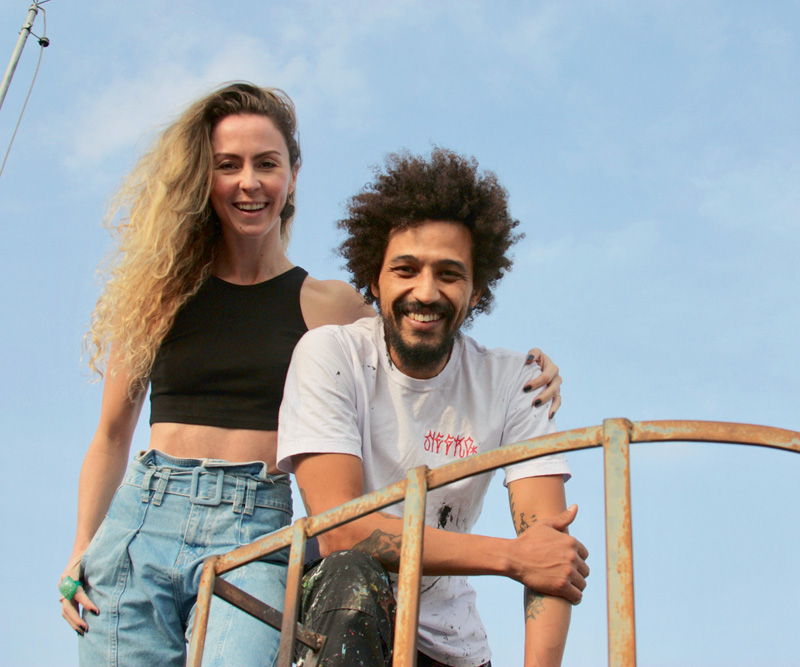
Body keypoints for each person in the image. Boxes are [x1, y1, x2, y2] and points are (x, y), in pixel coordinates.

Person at [58, 83, 563, 667]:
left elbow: (418, 331)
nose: (249, 182)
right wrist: (81, 549)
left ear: (293, 174)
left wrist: (535, 373)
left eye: (266, 164)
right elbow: (112, 435)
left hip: (255, 529)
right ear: (205, 176)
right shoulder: (158, 296)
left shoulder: (328, 305)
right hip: (143, 518)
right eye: (228, 165)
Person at [277, 148, 589, 667]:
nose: (426, 291)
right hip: (341, 624)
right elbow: (340, 529)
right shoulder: (333, 355)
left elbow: (551, 555)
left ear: (477, 289)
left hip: (452, 647)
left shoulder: (515, 382)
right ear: (374, 280)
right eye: (405, 269)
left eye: (449, 274)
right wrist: (512, 558)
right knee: (351, 572)